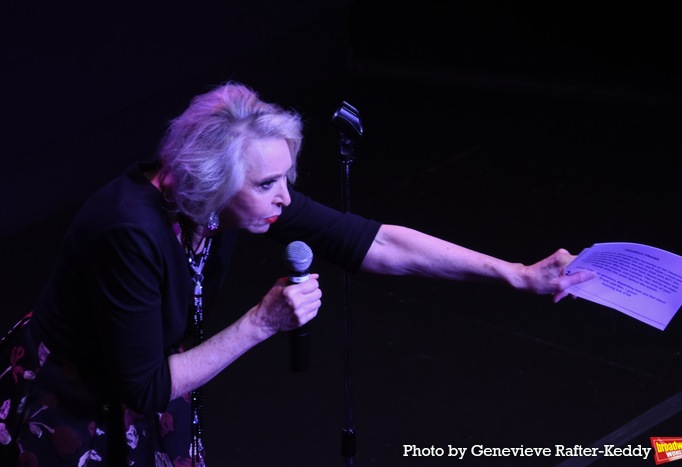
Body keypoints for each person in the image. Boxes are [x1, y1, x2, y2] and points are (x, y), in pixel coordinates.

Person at [0, 82, 594, 466]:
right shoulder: (130, 232)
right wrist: (260, 323)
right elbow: (145, 388)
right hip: (72, 410)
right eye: (266, 185)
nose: (285, 199)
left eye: (285, 177)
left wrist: (515, 275)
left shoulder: (229, 199)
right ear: (212, 179)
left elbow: (374, 242)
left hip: (149, 385)